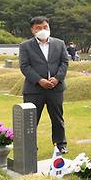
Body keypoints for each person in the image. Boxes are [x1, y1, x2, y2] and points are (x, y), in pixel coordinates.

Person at [19, 16, 69, 153]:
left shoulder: (59, 43)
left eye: (45, 27)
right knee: (31, 120)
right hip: (34, 89)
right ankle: (29, 147)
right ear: (32, 30)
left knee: (57, 118)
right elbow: (25, 66)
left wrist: (57, 78)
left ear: (49, 27)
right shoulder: (25, 46)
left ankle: (61, 144)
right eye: (38, 28)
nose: (42, 30)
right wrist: (39, 80)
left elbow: (64, 62)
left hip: (55, 88)